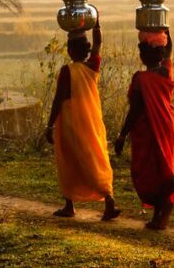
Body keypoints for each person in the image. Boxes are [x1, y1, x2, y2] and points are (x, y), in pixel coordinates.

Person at [45, 21, 120, 221]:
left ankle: (69, 205)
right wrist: (96, 25)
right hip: (91, 122)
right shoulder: (92, 67)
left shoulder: (67, 71)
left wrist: (50, 124)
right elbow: (98, 45)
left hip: (70, 123)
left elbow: (58, 99)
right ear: (85, 50)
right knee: (95, 157)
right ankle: (108, 198)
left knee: (69, 161)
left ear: (70, 50)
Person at [115, 28, 174, 231]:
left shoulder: (141, 79)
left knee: (155, 171)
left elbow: (135, 110)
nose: (142, 55)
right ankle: (158, 217)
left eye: (145, 51)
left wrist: (122, 134)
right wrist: (166, 30)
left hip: (152, 130)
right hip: (166, 127)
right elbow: (169, 50)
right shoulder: (165, 72)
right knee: (159, 170)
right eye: (142, 51)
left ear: (156, 54)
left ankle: (167, 207)